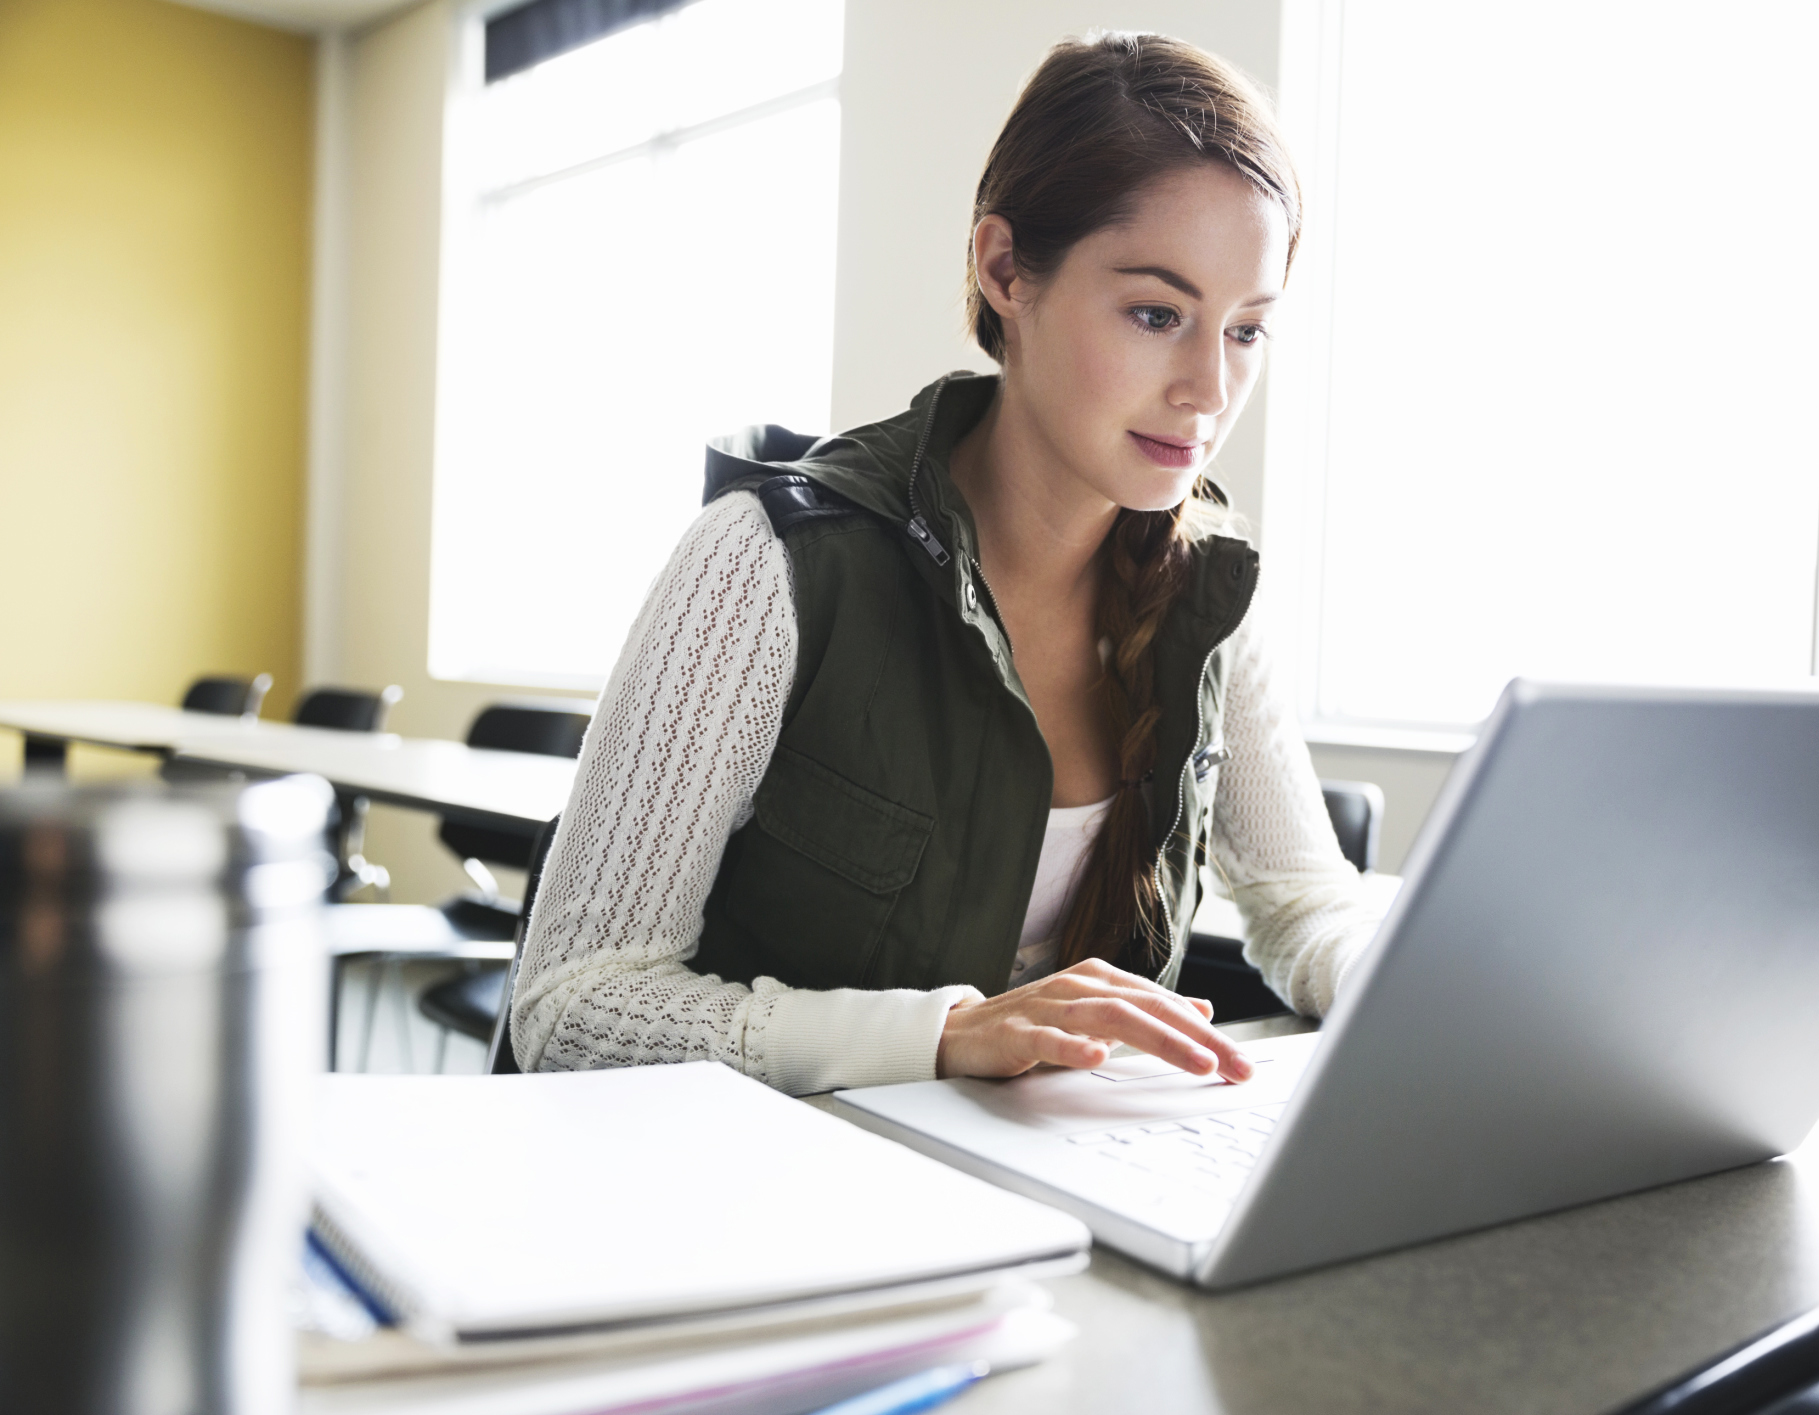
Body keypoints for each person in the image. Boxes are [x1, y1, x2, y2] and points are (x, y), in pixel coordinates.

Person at [510, 31, 1383, 1093]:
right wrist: (942, 1034)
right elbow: (571, 1002)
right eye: (1157, 314)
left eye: (1246, 330)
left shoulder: (1205, 590)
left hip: (1049, 1202)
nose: (1209, 388)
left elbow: (1303, 906)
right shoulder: (766, 564)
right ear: (1004, 268)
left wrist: (1425, 991)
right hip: (753, 1206)